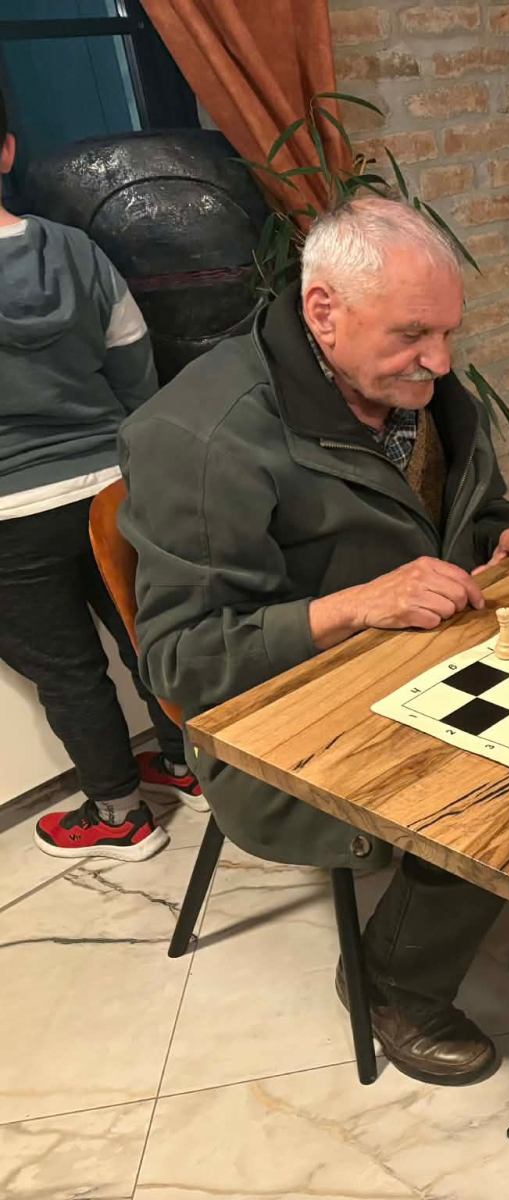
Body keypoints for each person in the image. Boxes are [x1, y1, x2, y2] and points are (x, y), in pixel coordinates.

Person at [119, 196, 509, 1086]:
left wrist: (503, 530)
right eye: (414, 334)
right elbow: (179, 661)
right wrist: (357, 607)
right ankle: (391, 983)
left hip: (418, 655)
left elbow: (455, 508)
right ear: (323, 310)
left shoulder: (408, 385)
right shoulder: (202, 437)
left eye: (447, 333)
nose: (441, 361)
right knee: (506, 775)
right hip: (283, 719)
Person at [0, 90, 205, 864]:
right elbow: (131, 357)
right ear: (7, 150)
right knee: (147, 636)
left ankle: (118, 815)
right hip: (109, 484)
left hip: (9, 511)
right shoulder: (74, 249)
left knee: (67, 672)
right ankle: (192, 766)